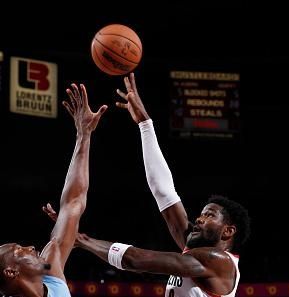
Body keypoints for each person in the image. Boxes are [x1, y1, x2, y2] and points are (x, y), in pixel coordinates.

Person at [44, 73, 251, 297]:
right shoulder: (195, 250)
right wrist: (145, 123)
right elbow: (163, 192)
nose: (199, 219)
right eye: (202, 214)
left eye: (210, 215)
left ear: (228, 231)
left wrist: (86, 241)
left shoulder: (219, 262)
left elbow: (136, 260)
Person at [0, 83, 107, 297]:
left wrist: (83, 135)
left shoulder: (52, 278)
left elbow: (73, 203)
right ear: (11, 271)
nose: (30, 246)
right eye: (19, 250)